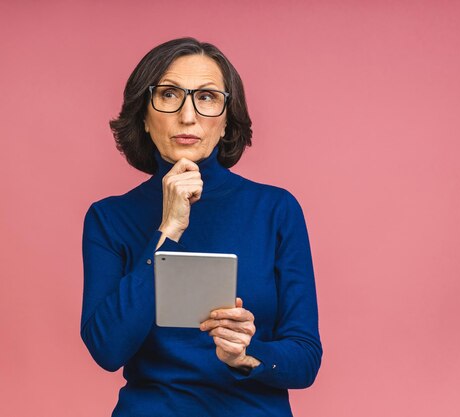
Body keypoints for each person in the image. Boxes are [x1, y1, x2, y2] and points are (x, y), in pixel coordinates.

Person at [80, 37, 322, 416]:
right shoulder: (108, 218)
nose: (188, 115)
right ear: (143, 116)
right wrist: (169, 229)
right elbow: (107, 349)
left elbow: (306, 359)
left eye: (207, 97)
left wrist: (246, 354)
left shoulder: (276, 209)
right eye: (170, 94)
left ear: (227, 121)